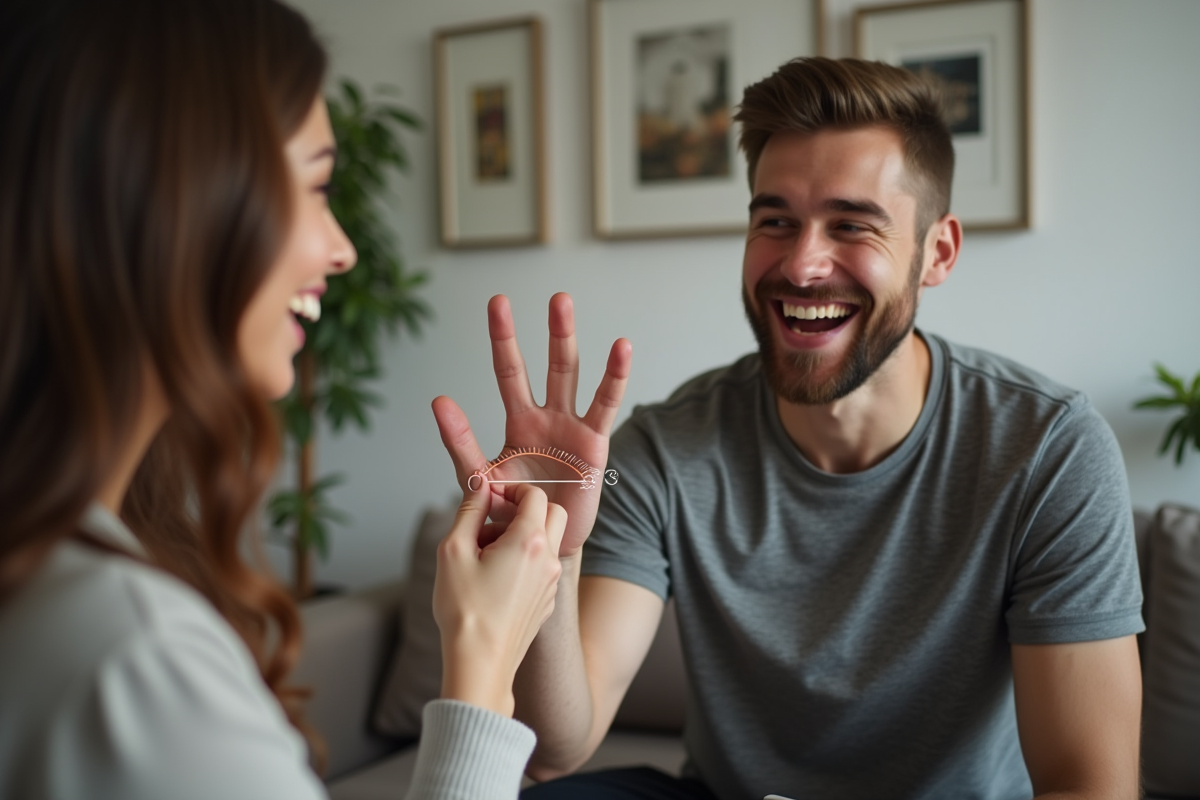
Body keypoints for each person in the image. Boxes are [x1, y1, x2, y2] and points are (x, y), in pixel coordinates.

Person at [436, 58, 1144, 800]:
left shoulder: (1049, 450)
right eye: (775, 221)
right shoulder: (660, 448)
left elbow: (1089, 784)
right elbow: (557, 748)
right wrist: (556, 550)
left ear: (937, 252)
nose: (802, 265)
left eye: (852, 225)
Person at [0, 1, 615, 798]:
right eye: (317, 187)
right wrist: (481, 660)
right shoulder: (132, 653)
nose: (343, 248)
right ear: (171, 205)